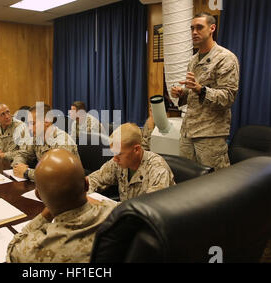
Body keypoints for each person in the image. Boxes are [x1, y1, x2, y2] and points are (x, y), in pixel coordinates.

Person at [7, 148, 117, 263]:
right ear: (87, 184)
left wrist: (46, 214)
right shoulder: (120, 214)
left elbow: (13, 249)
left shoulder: (32, 250)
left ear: (38, 195)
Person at [171, 12, 240, 170]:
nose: (194, 32)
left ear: (212, 28)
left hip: (211, 134)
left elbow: (228, 97)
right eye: (192, 28)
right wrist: (183, 94)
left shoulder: (225, 58)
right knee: (187, 178)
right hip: (189, 131)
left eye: (199, 27)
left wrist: (201, 89)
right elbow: (194, 94)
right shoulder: (193, 60)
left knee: (215, 183)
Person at [87, 123, 175, 201]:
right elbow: (94, 179)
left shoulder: (157, 169)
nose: (114, 159)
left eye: (119, 154)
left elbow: (150, 207)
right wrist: (86, 196)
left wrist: (108, 206)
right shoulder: (118, 162)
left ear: (136, 149)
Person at [12, 103, 78, 181]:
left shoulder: (62, 141)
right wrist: (18, 166)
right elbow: (23, 154)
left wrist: (26, 172)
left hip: (68, 186)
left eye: (33, 123)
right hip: (47, 185)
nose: (29, 128)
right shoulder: (37, 137)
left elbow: (56, 175)